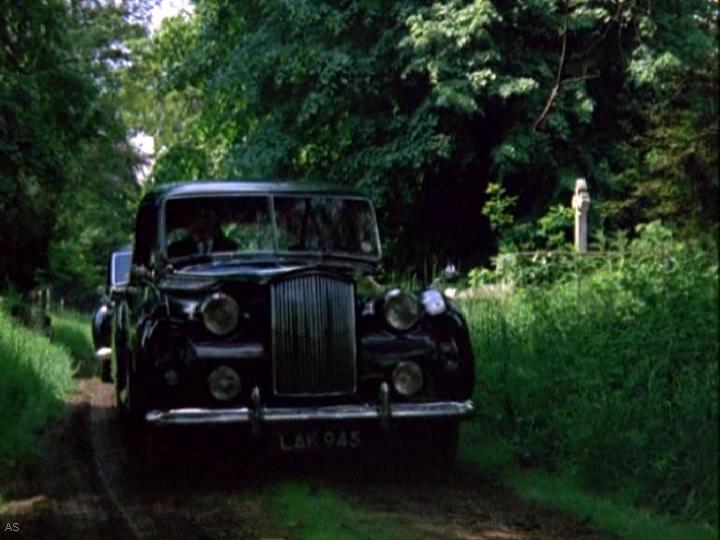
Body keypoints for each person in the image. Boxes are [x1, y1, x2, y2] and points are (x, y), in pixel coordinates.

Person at [167, 207, 236, 258]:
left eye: (210, 216)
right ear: (193, 221)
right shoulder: (176, 249)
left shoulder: (229, 247)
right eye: (202, 216)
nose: (207, 221)